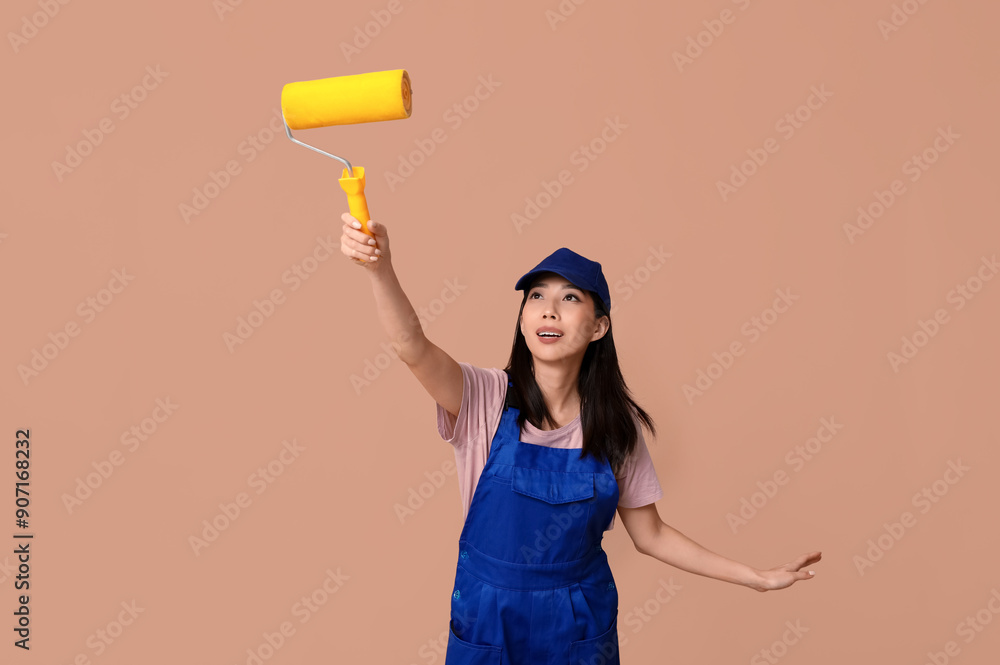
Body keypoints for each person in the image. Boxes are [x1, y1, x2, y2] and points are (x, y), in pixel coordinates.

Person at [340, 213, 822, 665]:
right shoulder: (484, 400)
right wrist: (379, 270)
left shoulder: (614, 429)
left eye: (569, 298)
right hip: (489, 616)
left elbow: (651, 536)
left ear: (598, 327)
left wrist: (755, 578)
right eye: (536, 297)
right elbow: (411, 346)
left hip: (577, 621)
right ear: (524, 320)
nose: (549, 310)